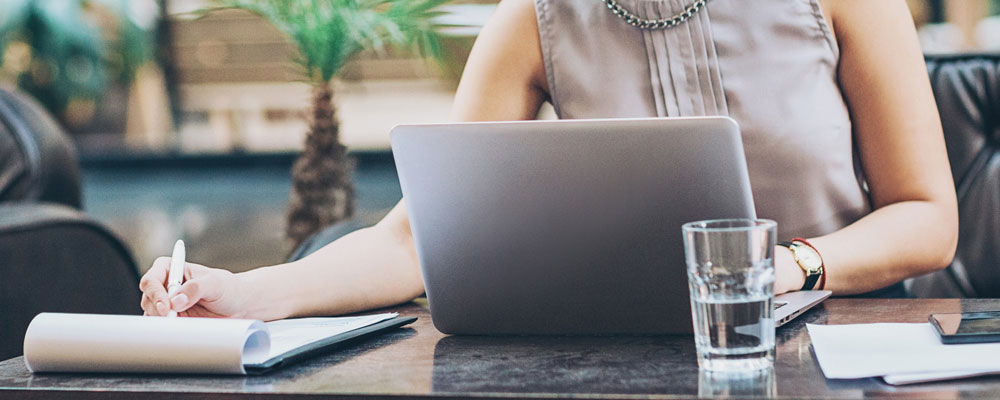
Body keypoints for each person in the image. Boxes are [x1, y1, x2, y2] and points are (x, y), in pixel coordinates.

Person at [140, 0, 957, 320]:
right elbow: (416, 240)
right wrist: (237, 294)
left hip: (847, 342)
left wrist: (790, 266)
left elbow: (929, 218)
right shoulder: (535, 17)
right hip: (642, 360)